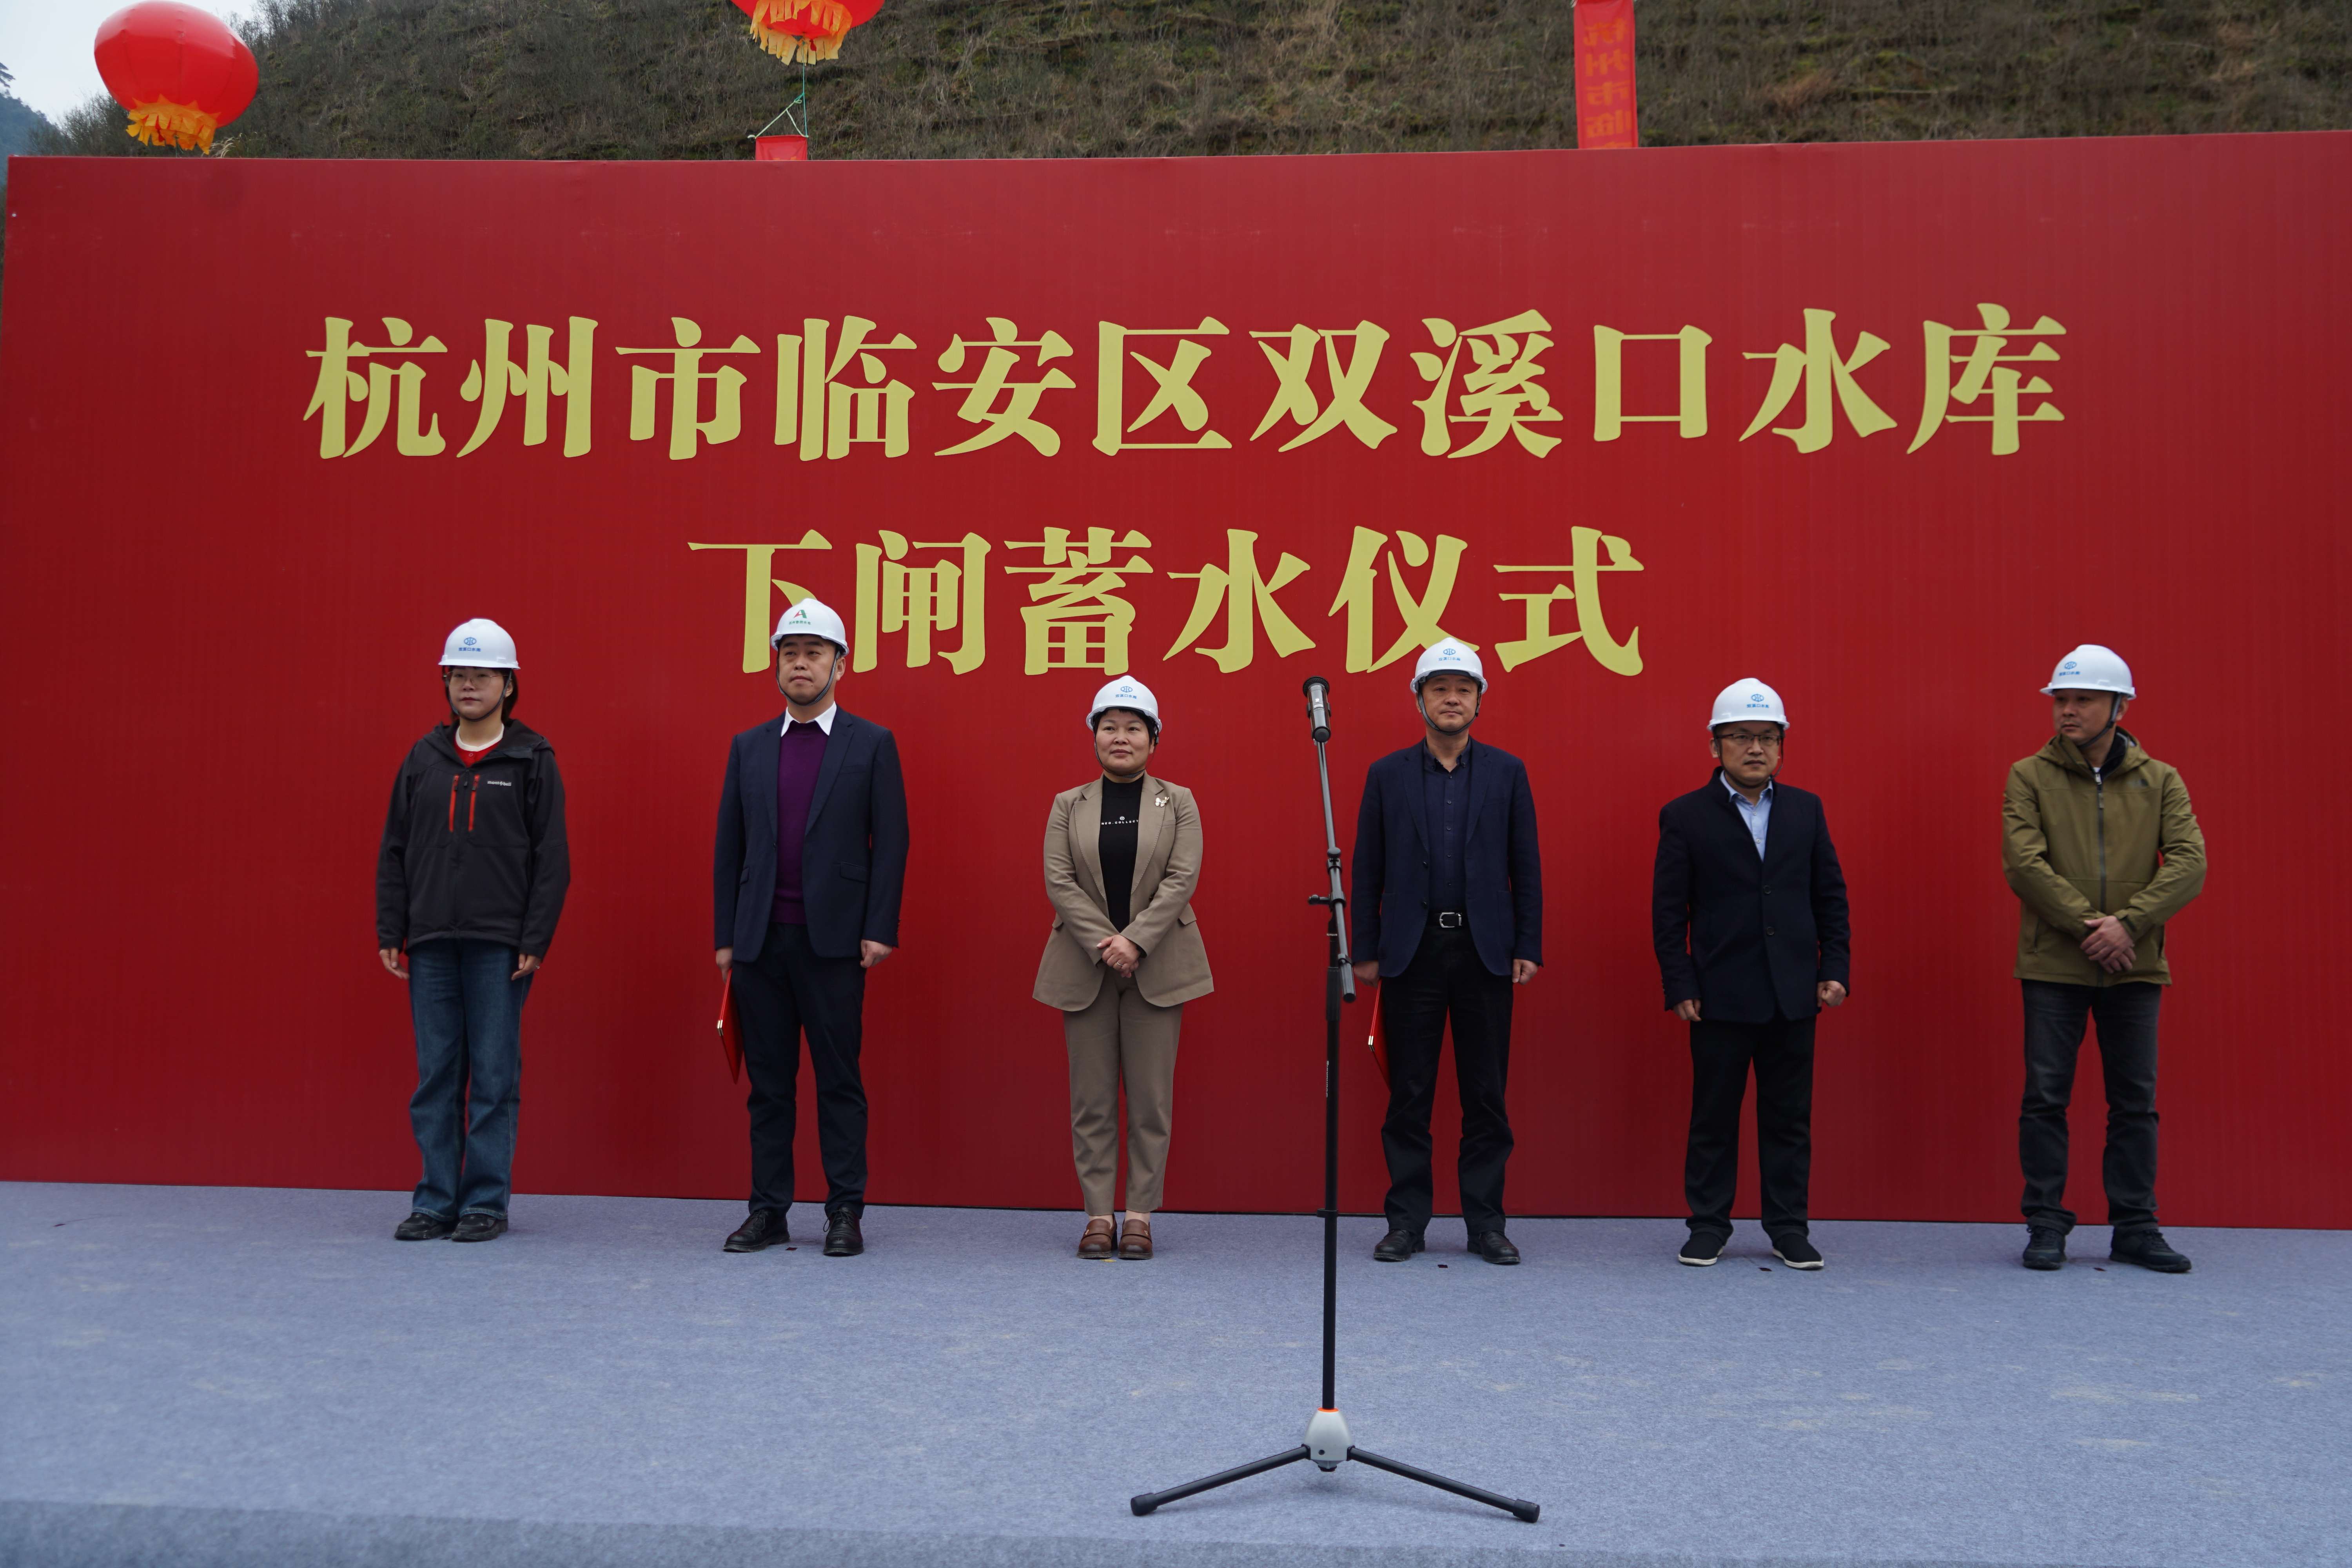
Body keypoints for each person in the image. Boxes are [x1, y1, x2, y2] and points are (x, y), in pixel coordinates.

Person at [712, 598, 909, 1259]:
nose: (801, 665)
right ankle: (767, 1211)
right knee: (769, 1087)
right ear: (776, 665)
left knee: (838, 1081)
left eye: (814, 654)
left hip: (836, 942)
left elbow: (893, 842)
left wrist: (880, 927)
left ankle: (844, 1210)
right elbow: (730, 847)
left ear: (839, 665)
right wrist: (726, 938)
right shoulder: (748, 747)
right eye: (790, 654)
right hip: (761, 942)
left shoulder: (871, 743)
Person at [2003, 644, 2205, 1273]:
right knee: (2045, 1097)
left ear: (2120, 708)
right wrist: (2093, 927)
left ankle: (2136, 1227)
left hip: (2134, 965)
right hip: (2053, 966)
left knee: (2135, 1101)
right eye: (2061, 700)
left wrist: (2130, 926)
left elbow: (2190, 863)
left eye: (2083, 700)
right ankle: (2046, 1223)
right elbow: (2024, 864)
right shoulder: (2028, 776)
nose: (2067, 711)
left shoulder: (2161, 779)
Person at [376, 619, 570, 1244]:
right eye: (458, 675)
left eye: (482, 676)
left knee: (492, 1076)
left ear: (508, 685)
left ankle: (485, 1202)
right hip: (431, 939)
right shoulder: (423, 758)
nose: (469, 686)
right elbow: (395, 848)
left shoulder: (532, 759)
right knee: (436, 1076)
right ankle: (435, 1201)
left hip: (499, 946)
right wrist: (392, 927)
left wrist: (534, 939)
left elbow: (552, 860)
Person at [1349, 641, 1543, 1266]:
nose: (1452, 699)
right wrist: (1365, 948)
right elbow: (1368, 866)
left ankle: (1487, 1225)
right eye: (1439, 689)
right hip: (1413, 953)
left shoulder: (1508, 772)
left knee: (1487, 1096)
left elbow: (1526, 865)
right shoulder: (1388, 774)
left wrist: (1528, 944)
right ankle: (1406, 1223)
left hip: (1486, 953)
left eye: (1463, 689)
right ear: (1419, 699)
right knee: (1410, 1095)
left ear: (1480, 700)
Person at [1651, 679, 1850, 1270]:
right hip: (1719, 994)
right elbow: (1669, 912)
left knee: (1789, 1120)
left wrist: (1835, 968)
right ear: (1715, 746)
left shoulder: (1806, 810)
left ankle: (1788, 1228)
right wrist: (1680, 983)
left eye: (1768, 737)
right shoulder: (1686, 816)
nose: (1755, 748)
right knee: (1713, 1117)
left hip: (1795, 991)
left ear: (1782, 746)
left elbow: (1831, 896)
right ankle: (1709, 1225)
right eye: (1740, 737)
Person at [1033, 677, 1213, 1261]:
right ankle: (1097, 1215)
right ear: (1094, 736)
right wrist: (1107, 943)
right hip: (1084, 965)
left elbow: (1182, 878)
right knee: (1091, 1102)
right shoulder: (1069, 804)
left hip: (1158, 965)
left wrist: (1134, 942)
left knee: (1150, 1101)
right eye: (1109, 726)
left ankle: (1139, 1215)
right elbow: (1059, 880)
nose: (1121, 737)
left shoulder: (1178, 801)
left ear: (1153, 739)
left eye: (1134, 728)